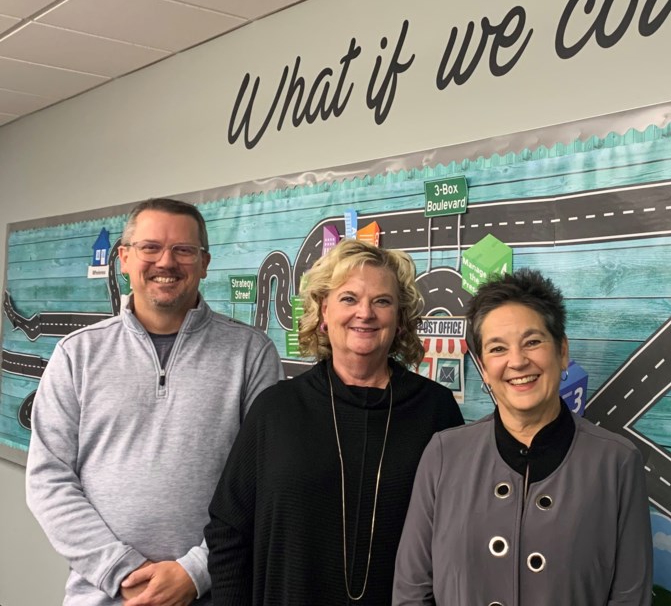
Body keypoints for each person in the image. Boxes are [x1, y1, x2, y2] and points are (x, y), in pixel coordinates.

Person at [26, 197, 284, 606]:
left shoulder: (251, 354)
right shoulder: (77, 354)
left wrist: (195, 572)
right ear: (124, 259)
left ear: (205, 263)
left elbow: (266, 482)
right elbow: (48, 480)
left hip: (214, 592)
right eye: (150, 248)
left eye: (184, 250)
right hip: (105, 595)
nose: (166, 262)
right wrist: (122, 569)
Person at [205, 238, 464, 605]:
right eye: (349, 299)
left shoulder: (435, 410)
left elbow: (455, 537)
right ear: (323, 313)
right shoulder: (276, 410)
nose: (365, 313)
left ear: (401, 319)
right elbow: (228, 530)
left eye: (382, 301)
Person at [394, 268, 654, 606]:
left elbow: (630, 598)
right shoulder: (443, 454)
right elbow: (412, 591)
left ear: (562, 352)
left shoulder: (616, 462)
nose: (517, 361)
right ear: (485, 370)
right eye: (498, 349)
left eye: (532, 342)